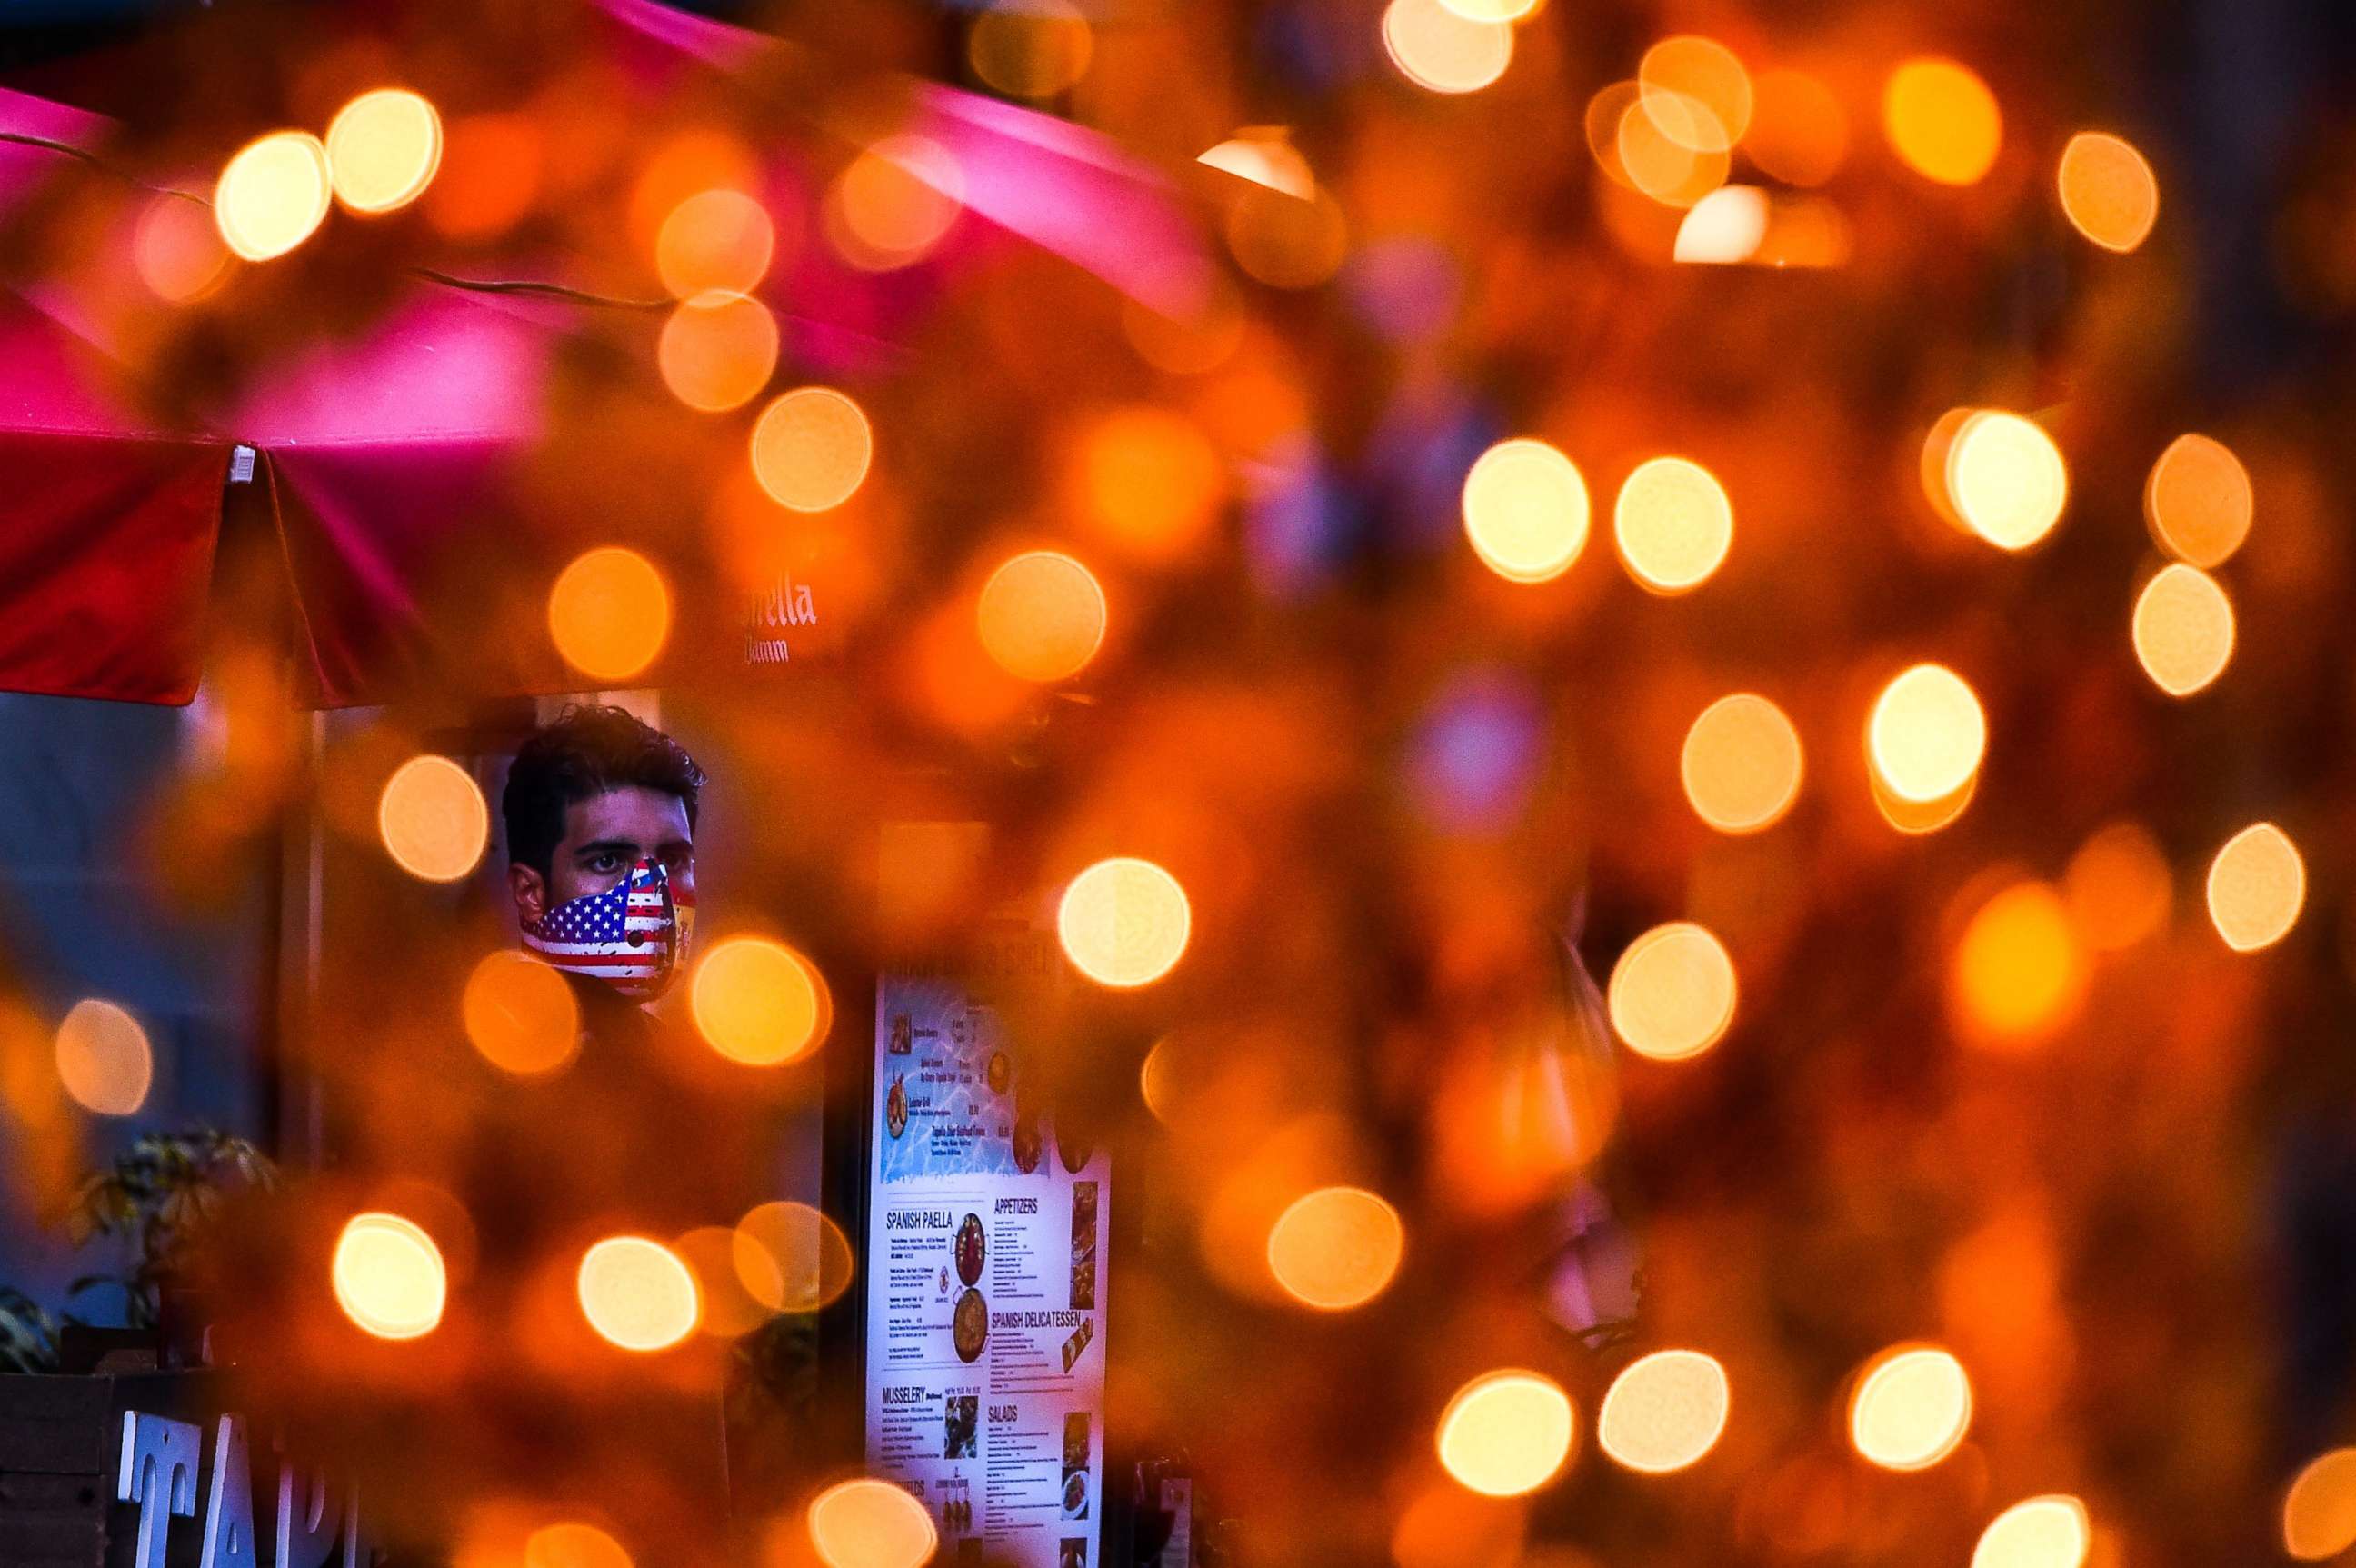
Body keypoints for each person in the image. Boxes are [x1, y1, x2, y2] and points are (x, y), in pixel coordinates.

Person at [500, 703, 704, 1048]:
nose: (653, 894)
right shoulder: (461, 1083)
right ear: (530, 892)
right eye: (608, 861)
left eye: (671, 861)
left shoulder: (675, 1068)